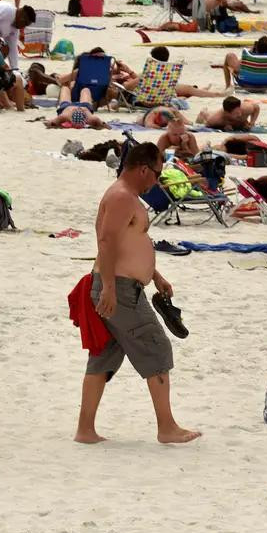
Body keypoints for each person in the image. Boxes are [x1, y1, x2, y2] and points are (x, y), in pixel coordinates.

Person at [74, 142, 200, 445]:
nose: (156, 181)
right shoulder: (121, 197)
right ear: (143, 169)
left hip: (119, 285)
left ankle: (85, 430)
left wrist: (154, 274)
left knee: (104, 356)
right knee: (156, 348)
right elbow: (106, 242)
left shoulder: (125, 196)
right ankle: (167, 427)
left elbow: (131, 241)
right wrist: (107, 287)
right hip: (118, 288)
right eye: (156, 174)